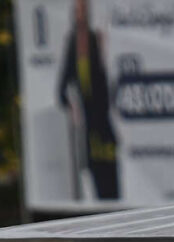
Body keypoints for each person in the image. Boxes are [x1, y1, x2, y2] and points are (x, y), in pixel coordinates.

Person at [58, 0, 121, 201]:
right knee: (91, 166)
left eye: (84, 10)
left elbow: (105, 79)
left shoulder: (95, 39)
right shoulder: (72, 42)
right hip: (85, 121)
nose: (81, 15)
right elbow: (63, 84)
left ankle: (111, 198)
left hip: (101, 117)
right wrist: (71, 105)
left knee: (108, 164)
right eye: (78, 11)